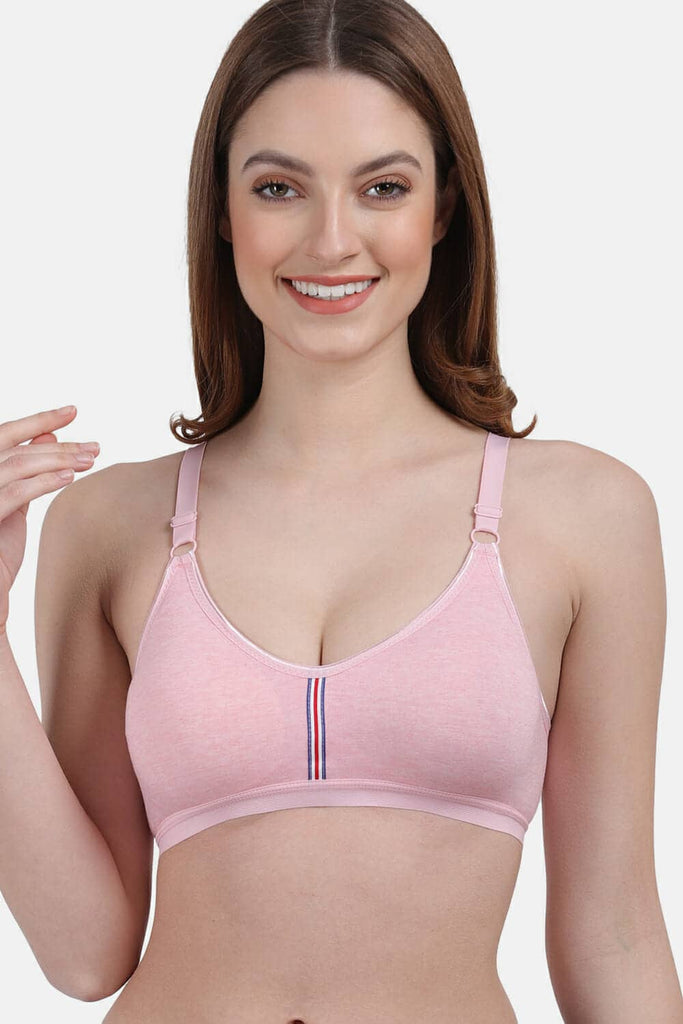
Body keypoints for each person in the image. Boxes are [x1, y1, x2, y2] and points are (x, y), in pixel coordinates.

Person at [1, 0, 681, 1020]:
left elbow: (613, 932)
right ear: (221, 210)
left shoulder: (585, 517)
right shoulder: (107, 525)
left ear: (442, 208)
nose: (330, 239)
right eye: (278, 187)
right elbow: (84, 954)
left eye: (382, 187)